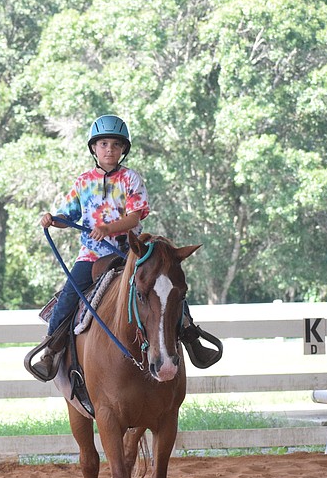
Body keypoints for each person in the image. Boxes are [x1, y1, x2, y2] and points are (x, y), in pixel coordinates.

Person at [29, 114, 221, 380]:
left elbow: (135, 217)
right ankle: (52, 348)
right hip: (92, 256)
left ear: (123, 150)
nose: (109, 149)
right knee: (68, 296)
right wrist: (53, 219)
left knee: (167, 287)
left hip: (132, 253)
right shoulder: (83, 182)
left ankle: (190, 337)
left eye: (116, 145)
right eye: (104, 143)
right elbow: (68, 214)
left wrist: (108, 229)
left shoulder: (131, 179)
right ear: (94, 148)